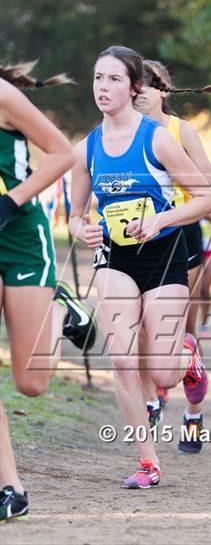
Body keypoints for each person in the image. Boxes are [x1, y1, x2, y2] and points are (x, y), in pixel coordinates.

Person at [69, 46, 211, 488]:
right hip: (115, 257)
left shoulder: (157, 138)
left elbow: (209, 198)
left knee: (164, 372)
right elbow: (74, 216)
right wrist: (84, 230)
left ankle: (187, 357)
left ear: (135, 87)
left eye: (114, 79)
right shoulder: (86, 150)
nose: (103, 87)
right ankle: (148, 462)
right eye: (98, 78)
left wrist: (160, 219)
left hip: (164, 253)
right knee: (122, 361)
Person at [0, 62, 95, 522]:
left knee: (30, 383)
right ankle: (10, 487)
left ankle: (61, 311)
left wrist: (10, 201)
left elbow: (62, 155)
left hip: (19, 235)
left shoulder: (3, 95)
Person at [134, 59, 211, 452]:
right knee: (138, 328)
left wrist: (176, 192)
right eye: (134, 84)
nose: (139, 92)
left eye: (148, 85)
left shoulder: (180, 131)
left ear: (164, 91)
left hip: (179, 233)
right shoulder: (122, 132)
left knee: (178, 330)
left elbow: (210, 188)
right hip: (134, 234)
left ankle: (193, 413)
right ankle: (152, 403)